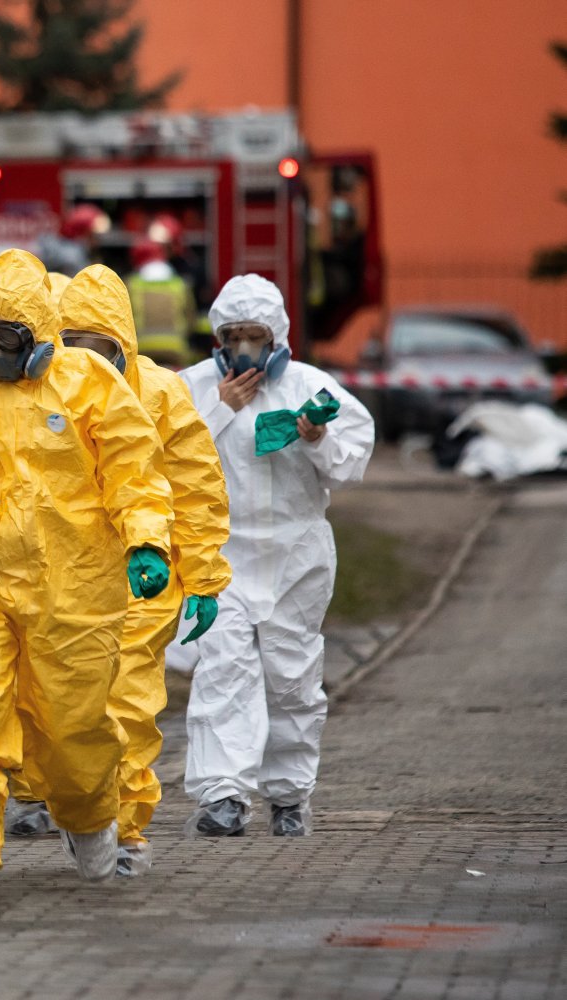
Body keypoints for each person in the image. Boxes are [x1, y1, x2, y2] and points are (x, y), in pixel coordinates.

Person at [0, 249, 175, 905]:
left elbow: (135, 473)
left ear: (41, 339)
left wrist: (147, 542)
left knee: (77, 731)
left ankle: (89, 819)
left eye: (7, 341)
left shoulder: (90, 385)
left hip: (75, 590)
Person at [9, 265, 232, 876]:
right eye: (74, 346)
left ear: (123, 345)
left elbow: (195, 486)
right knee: (55, 700)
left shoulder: (158, 393)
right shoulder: (43, 392)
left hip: (144, 576)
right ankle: (60, 800)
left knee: (127, 705)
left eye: (99, 348)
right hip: (64, 578)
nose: (88, 363)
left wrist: (204, 573)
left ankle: (127, 832)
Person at [178, 274, 374, 837]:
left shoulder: (310, 389)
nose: (243, 349)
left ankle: (288, 797)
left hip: (296, 556)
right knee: (223, 671)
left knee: (292, 678)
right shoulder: (193, 389)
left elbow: (352, 464)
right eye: (233, 335)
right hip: (219, 555)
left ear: (278, 336)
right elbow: (161, 455)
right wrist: (217, 410)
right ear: (217, 338)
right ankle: (223, 797)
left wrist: (315, 437)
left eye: (255, 335)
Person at [126, 239, 197, 366]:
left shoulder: (132, 285)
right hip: (175, 349)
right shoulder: (179, 284)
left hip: (142, 349)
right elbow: (191, 319)